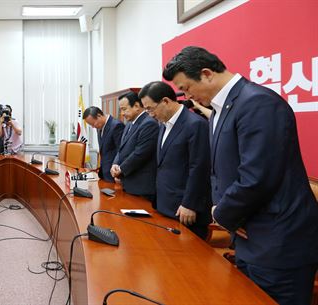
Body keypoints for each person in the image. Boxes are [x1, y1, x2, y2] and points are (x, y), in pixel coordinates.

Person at [163, 46, 318, 305]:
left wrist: (221, 214)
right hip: (248, 235)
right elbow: (220, 171)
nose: (186, 96)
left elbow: (257, 177)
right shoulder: (221, 110)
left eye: (187, 88)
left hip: (278, 242)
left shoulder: (258, 102)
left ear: (207, 74)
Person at [139, 81, 211, 239]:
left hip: (186, 210)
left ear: (165, 101)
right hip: (165, 204)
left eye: (150, 108)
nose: (150, 114)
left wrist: (190, 204)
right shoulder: (164, 125)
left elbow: (199, 168)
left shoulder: (195, 124)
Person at [111, 91, 159, 205]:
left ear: (137, 106)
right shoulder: (129, 123)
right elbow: (121, 148)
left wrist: (121, 169)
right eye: (120, 110)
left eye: (124, 109)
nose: (122, 113)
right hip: (128, 183)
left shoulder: (149, 124)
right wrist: (115, 164)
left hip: (141, 186)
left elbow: (140, 153)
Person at [82, 106, 124, 182]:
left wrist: (118, 173)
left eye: (93, 123)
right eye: (90, 125)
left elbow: (121, 151)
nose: (93, 127)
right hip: (104, 174)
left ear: (99, 116)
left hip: (114, 174)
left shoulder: (116, 126)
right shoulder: (100, 127)